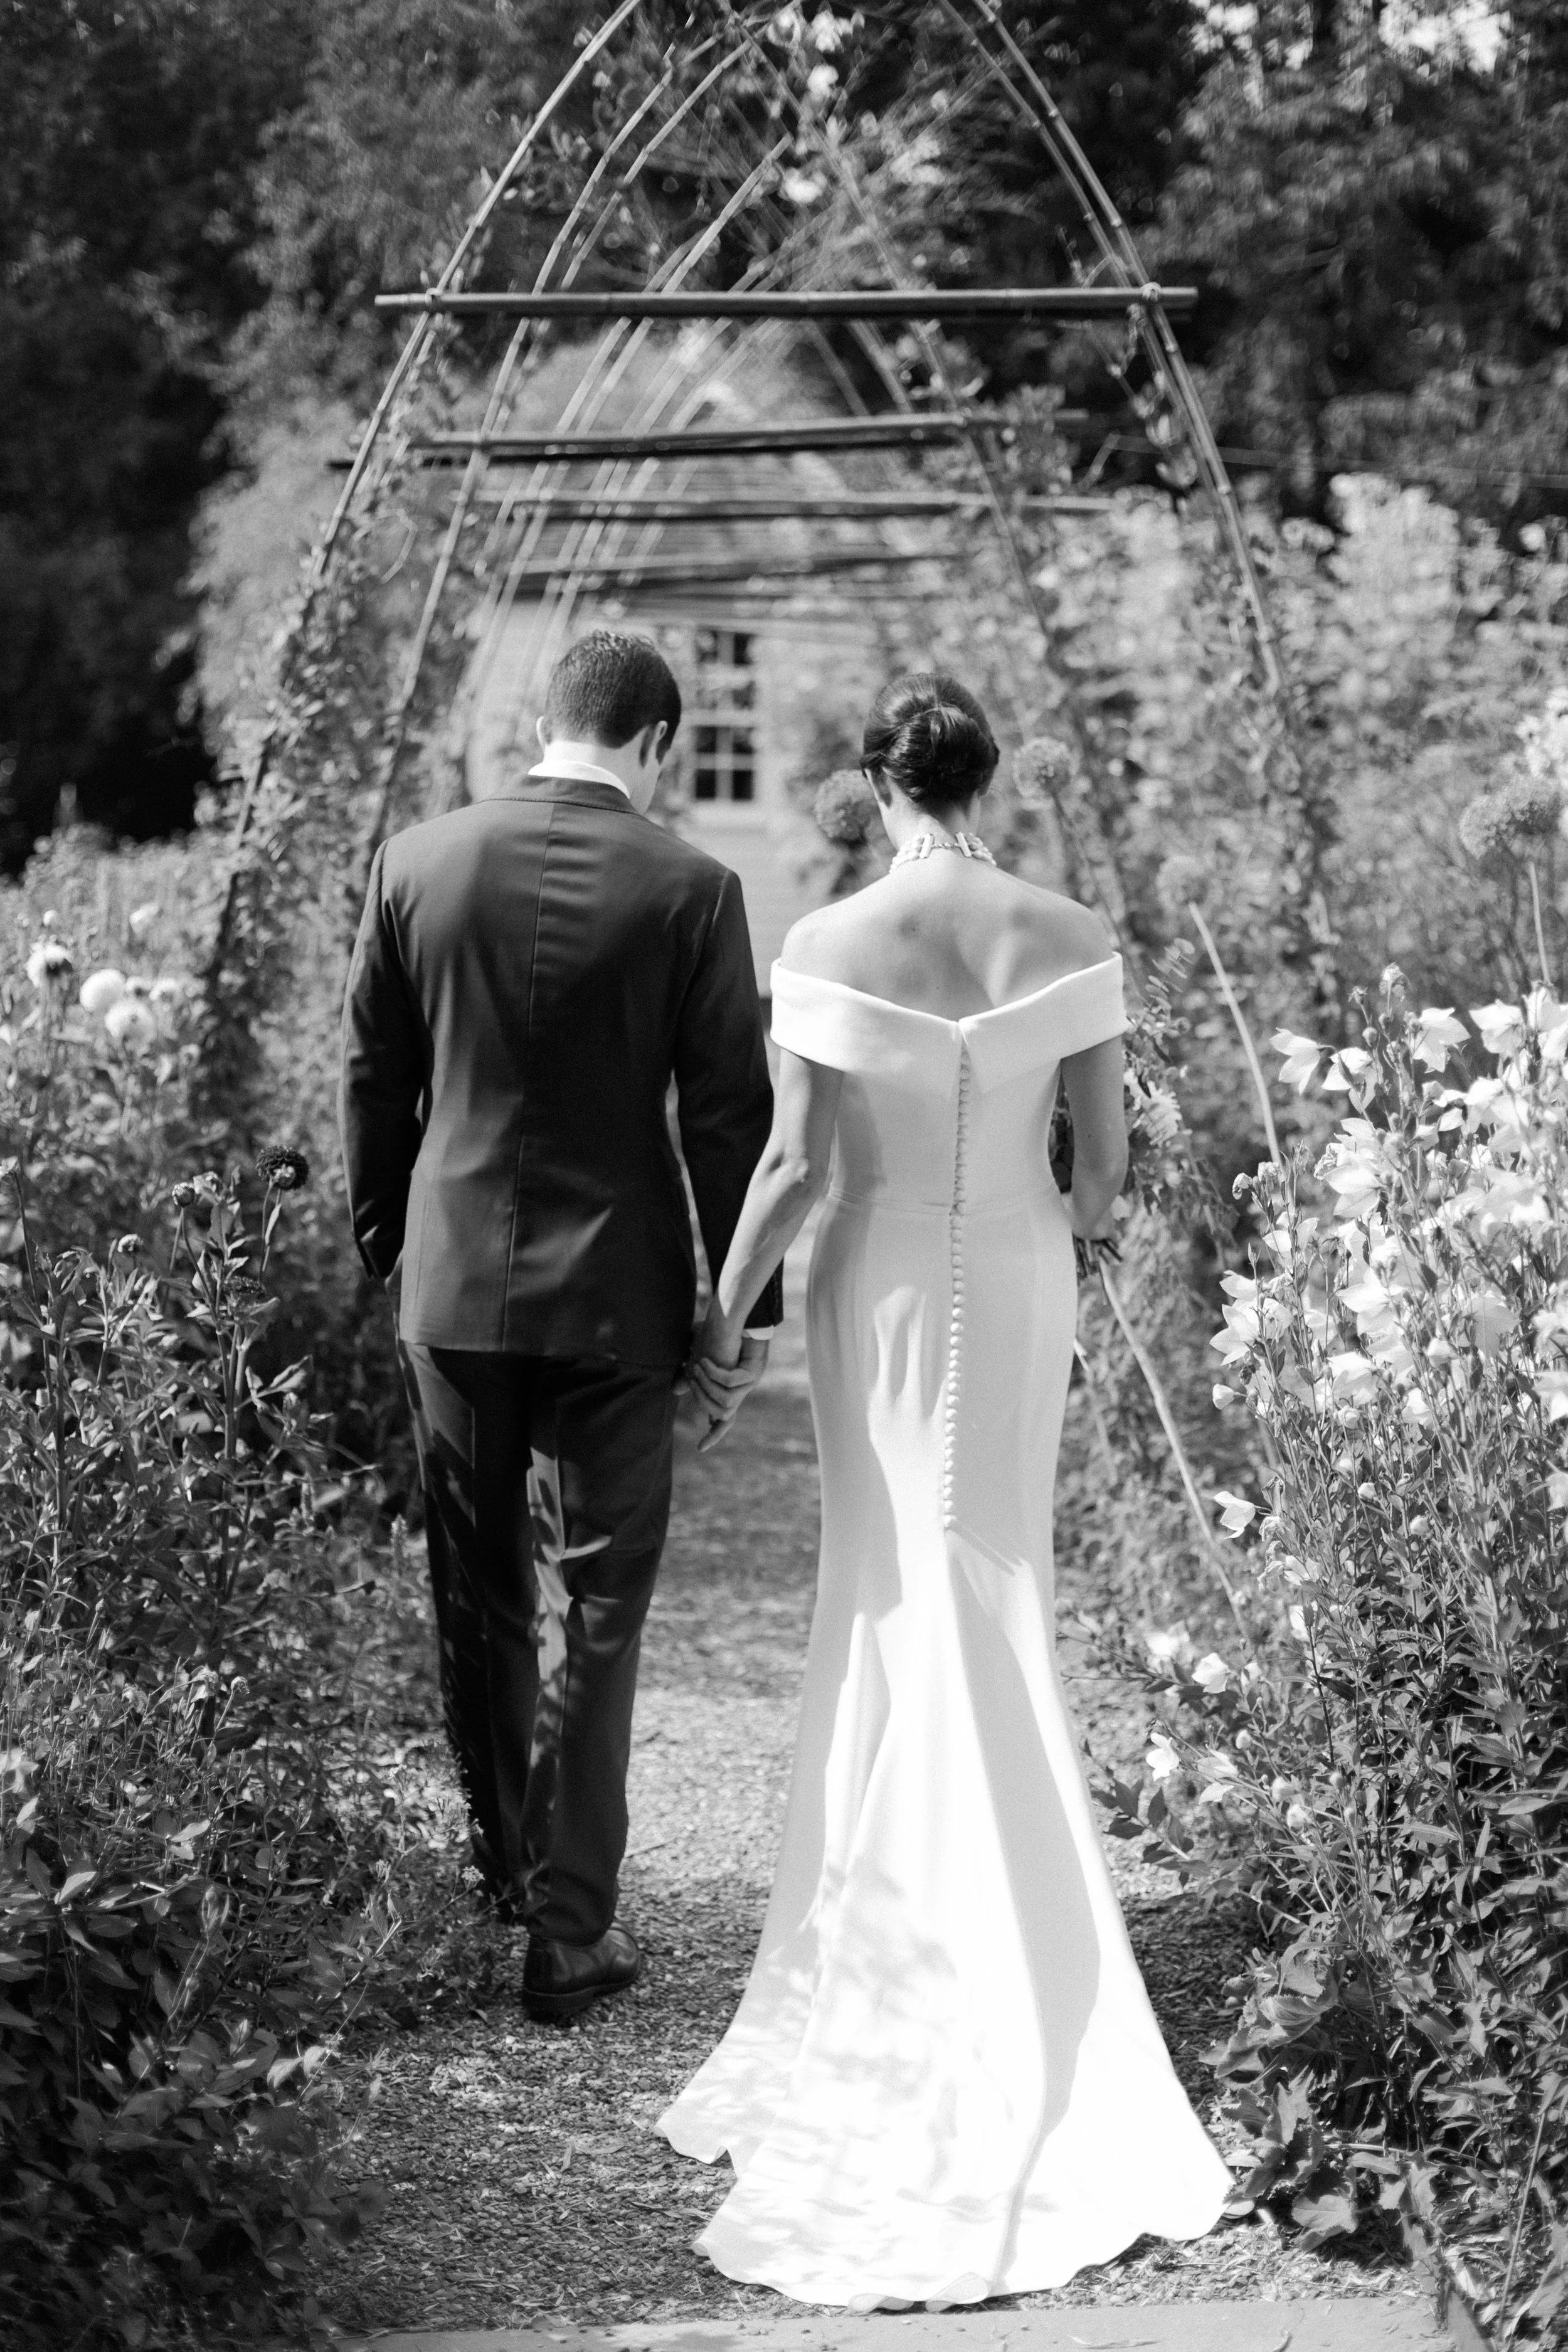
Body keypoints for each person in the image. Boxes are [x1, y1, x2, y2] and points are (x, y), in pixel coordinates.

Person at [664, 671, 1231, 2304]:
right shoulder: (1069, 932)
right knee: (997, 1576)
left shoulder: (829, 941)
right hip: (1020, 1268)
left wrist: (721, 1317)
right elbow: (1100, 1173)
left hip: (881, 1281)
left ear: (883, 786)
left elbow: (795, 1165)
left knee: (886, 1583)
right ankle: (1030, 1945)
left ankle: (891, 1931)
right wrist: (1055, 1231)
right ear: (987, 780)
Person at [339, 629, 780, 2025]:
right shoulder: (694, 889)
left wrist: (386, 1249)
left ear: (545, 724)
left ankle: (504, 1876)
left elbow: (374, 1077)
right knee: (601, 1607)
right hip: (616, 1297)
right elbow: (729, 1117)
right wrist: (740, 1319)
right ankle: (570, 1928)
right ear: (656, 743)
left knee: (480, 1594)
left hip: (453, 1283)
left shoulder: (417, 862)